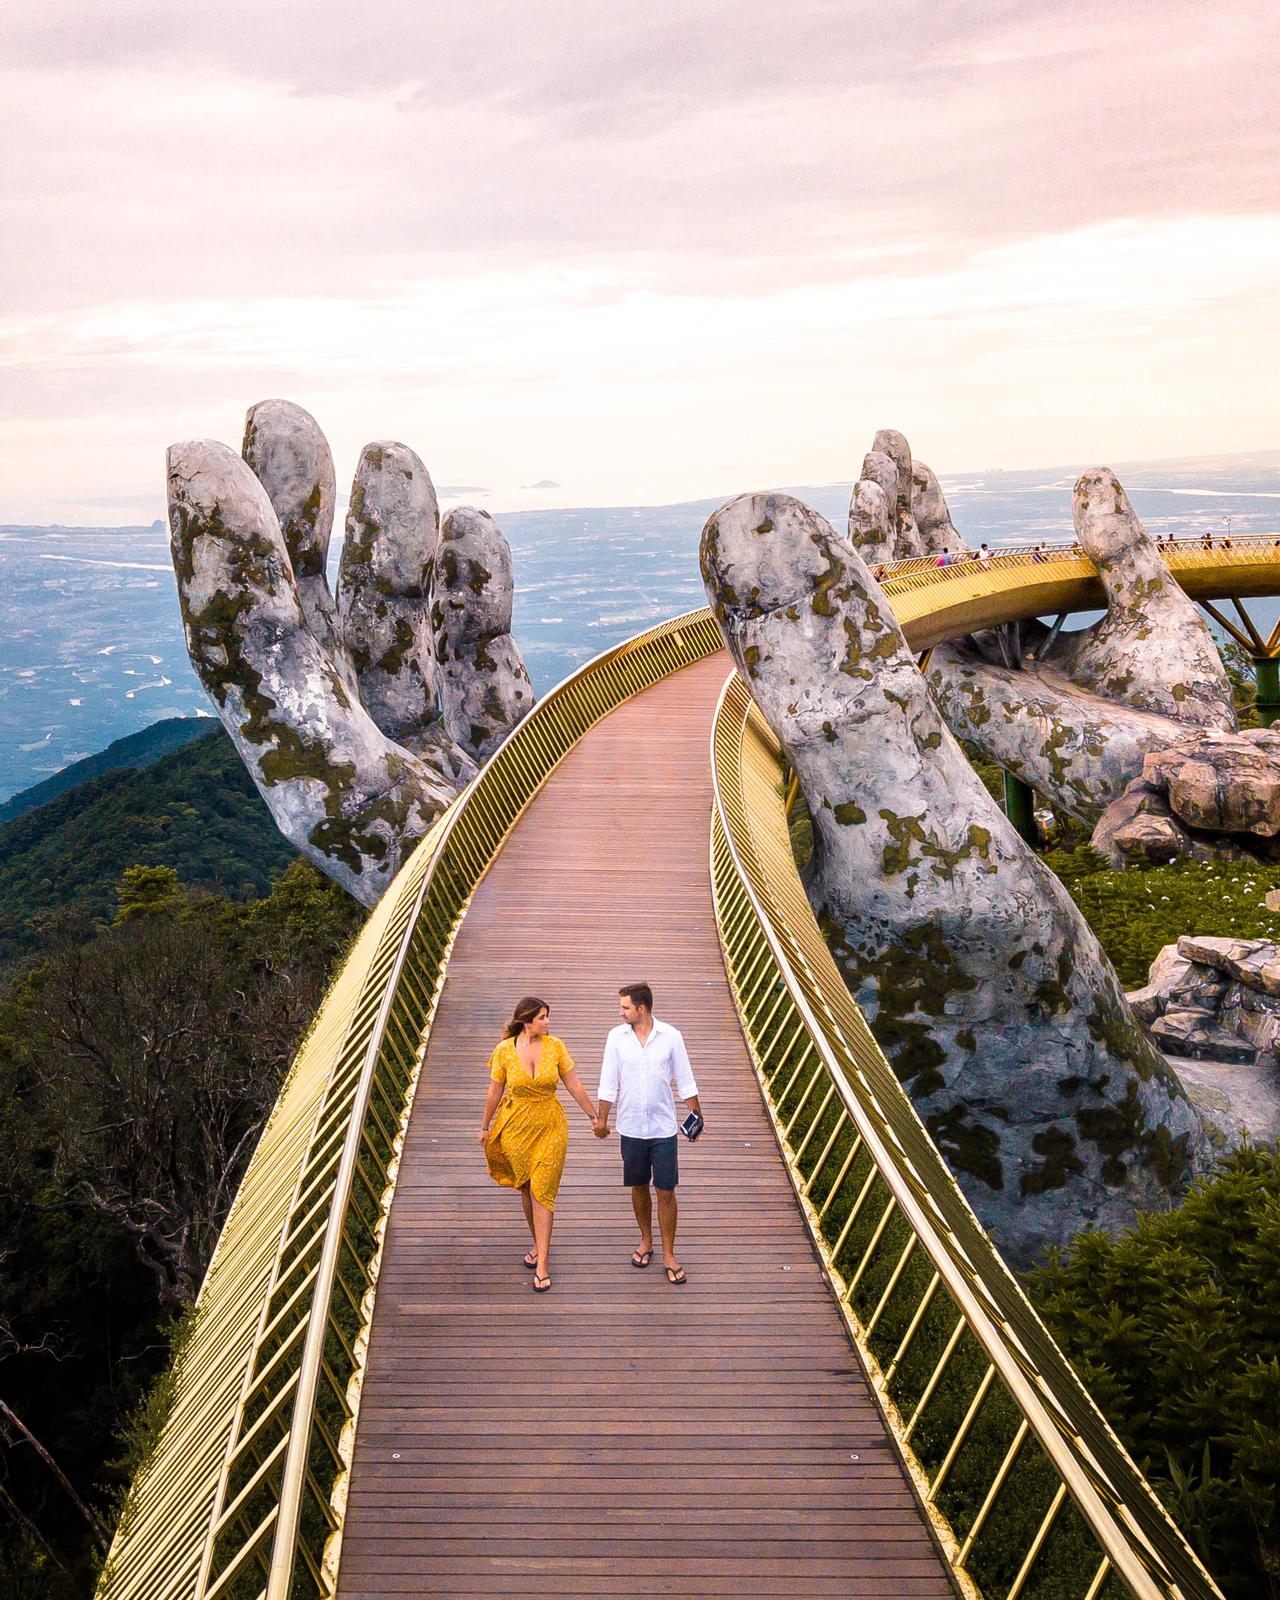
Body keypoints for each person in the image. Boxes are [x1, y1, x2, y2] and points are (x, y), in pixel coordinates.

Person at [479, 996, 600, 1293]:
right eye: (543, 1017)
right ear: (527, 1020)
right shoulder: (504, 1051)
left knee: (542, 1190)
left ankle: (542, 1262)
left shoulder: (556, 1046)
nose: (548, 1022)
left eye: (548, 1016)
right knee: (526, 1188)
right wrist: (484, 1125)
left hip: (550, 1125)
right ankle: (538, 1242)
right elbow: (495, 1090)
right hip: (517, 1126)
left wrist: (593, 1115)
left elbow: (573, 1083)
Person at [593, 982, 703, 1286]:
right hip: (630, 1126)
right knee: (638, 1186)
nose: (620, 1012)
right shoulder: (616, 1037)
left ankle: (669, 1253)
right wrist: (602, 1120)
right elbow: (607, 1081)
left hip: (662, 1127)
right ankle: (646, 1241)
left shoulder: (671, 1037)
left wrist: (697, 1115)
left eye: (625, 1007)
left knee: (666, 1190)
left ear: (641, 1009)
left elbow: (685, 1079)